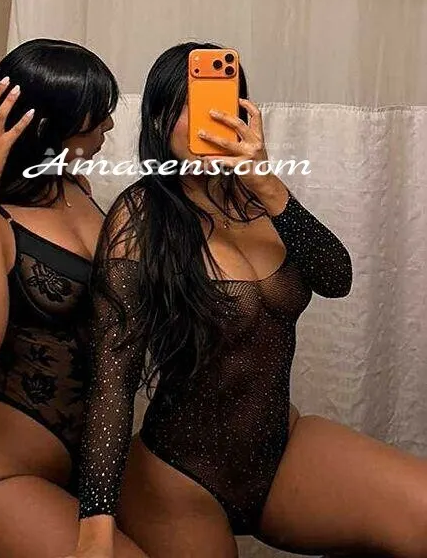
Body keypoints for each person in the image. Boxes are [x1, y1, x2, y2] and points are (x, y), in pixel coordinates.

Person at [74, 41, 427, 558]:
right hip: (179, 474)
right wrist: (95, 526)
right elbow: (113, 379)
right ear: (158, 119)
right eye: (188, 105)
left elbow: (337, 278)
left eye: (219, 101)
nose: (209, 117)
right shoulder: (140, 217)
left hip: (279, 451)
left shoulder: (261, 198)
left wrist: (266, 182)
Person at [0, 38, 148, 558]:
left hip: (90, 482)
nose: (108, 127)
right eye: (95, 118)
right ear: (45, 127)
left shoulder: (76, 193)